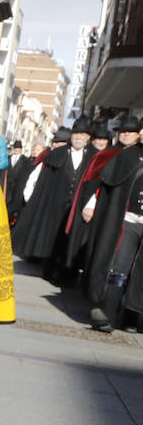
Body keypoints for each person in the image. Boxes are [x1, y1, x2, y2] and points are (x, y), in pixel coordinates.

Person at [13, 116, 97, 283]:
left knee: (72, 241)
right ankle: (49, 269)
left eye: (83, 134)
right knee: (52, 237)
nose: (79, 137)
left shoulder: (95, 157)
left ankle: (68, 273)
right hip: (56, 203)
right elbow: (40, 179)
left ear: (88, 137)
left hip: (79, 206)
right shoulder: (56, 154)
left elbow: (97, 185)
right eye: (76, 134)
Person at [82, 116, 143, 331]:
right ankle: (107, 314)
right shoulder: (127, 156)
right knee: (120, 267)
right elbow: (105, 186)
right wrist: (91, 204)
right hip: (128, 220)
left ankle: (133, 318)